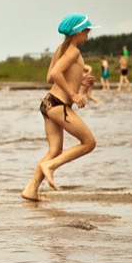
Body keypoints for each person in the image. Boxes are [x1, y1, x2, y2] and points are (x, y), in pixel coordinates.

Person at [21, 13, 99, 202]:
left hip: (48, 103)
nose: (87, 36)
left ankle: (31, 190)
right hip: (58, 105)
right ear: (78, 32)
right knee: (89, 142)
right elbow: (56, 73)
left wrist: (78, 80)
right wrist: (73, 94)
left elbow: (50, 77)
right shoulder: (73, 51)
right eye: (86, 32)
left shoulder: (61, 49)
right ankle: (50, 166)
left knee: (55, 150)